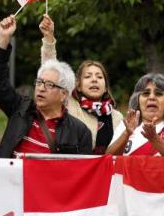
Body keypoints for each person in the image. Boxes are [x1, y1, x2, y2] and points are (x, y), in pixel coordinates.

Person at [0, 15, 91, 158]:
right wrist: (4, 38)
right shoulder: (20, 109)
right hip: (9, 179)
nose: (41, 88)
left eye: (49, 84)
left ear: (64, 94)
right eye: (39, 82)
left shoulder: (79, 131)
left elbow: (81, 174)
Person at [39, 15, 124, 154]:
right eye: (88, 76)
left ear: (106, 86)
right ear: (78, 86)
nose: (94, 80)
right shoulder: (68, 104)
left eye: (99, 77)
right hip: (71, 170)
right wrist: (49, 38)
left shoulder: (117, 117)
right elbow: (50, 72)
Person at [106, 73, 164, 156]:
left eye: (158, 94)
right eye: (146, 93)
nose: (152, 97)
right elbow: (108, 158)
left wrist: (154, 139)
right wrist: (126, 133)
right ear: (137, 100)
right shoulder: (125, 126)